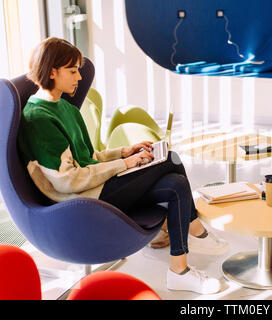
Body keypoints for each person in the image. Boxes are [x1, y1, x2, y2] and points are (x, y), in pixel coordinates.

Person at [18, 37, 229, 295]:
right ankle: (196, 229)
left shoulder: (65, 106)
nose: (79, 78)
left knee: (175, 184)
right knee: (170, 159)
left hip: (96, 185)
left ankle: (179, 271)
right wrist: (124, 164)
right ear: (52, 71)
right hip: (79, 200)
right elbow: (67, 181)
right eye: (72, 71)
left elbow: (88, 156)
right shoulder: (39, 118)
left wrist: (123, 151)